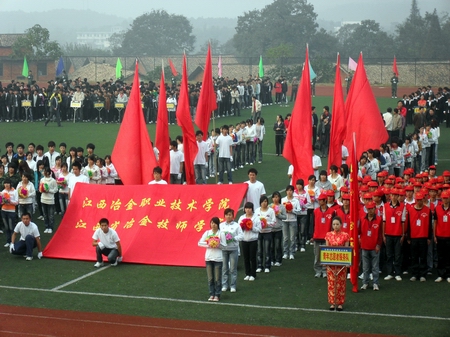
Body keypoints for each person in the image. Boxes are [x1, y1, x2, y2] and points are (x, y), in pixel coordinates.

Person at [199, 217, 227, 301]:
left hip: (218, 259)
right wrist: (209, 244)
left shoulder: (221, 233)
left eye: (215, 223)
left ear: (218, 224)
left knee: (217, 278)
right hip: (208, 258)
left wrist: (217, 244)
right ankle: (212, 294)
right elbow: (199, 243)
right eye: (212, 223)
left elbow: (224, 246)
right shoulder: (207, 233)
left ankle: (217, 295)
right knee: (210, 278)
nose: (213, 225)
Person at [325, 216, 350, 311]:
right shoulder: (328, 235)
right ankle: (332, 302)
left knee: (341, 283)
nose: (335, 226)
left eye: (337, 224)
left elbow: (347, 249)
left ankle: (340, 303)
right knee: (331, 283)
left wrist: (347, 262)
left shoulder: (345, 235)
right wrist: (325, 262)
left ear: (341, 225)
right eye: (334, 224)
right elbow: (326, 249)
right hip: (331, 263)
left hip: (341, 264)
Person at [406, 193, 432, 282]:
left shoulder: (428, 210)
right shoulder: (410, 210)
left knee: (423, 256)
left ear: (423, 200)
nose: (419, 201)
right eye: (418, 200)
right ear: (415, 200)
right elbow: (408, 225)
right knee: (414, 256)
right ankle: (414, 274)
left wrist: (429, 237)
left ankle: (423, 274)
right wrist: (408, 237)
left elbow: (430, 226)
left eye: (421, 199)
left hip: (424, 237)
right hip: (413, 237)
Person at [383, 189, 406, 281]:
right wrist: (383, 234)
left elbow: (403, 221)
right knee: (389, 255)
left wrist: (403, 234)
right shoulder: (385, 206)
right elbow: (384, 221)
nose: (394, 196)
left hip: (398, 234)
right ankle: (390, 273)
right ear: (390, 196)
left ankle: (397, 273)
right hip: (388, 234)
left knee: (397, 255)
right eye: (393, 195)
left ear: (398, 196)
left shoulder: (402, 206)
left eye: (396, 195)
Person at [359, 201, 383, 290]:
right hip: (364, 246)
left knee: (375, 267)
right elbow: (358, 231)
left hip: (374, 247)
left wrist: (379, 245)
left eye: (372, 208)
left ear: (375, 209)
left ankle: (375, 283)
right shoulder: (362, 219)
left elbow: (381, 234)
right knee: (365, 267)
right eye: (369, 209)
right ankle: (365, 283)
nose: (370, 210)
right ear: (366, 209)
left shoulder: (379, 219)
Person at [220, 208, 243, 293]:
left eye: (230, 214)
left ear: (233, 216)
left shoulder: (236, 225)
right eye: (227, 214)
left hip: (233, 249)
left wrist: (233, 238)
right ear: (224, 216)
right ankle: (225, 285)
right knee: (224, 268)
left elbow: (241, 236)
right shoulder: (221, 225)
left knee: (233, 269)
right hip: (224, 250)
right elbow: (218, 235)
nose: (228, 216)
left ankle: (233, 285)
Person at [312, 193, 334, 278]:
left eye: (321, 200)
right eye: (319, 200)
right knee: (317, 255)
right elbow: (312, 224)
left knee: (326, 255)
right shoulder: (315, 211)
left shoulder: (331, 211)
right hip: (317, 236)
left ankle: (325, 271)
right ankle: (318, 270)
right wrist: (312, 235)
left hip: (327, 237)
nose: (320, 201)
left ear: (325, 200)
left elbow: (333, 225)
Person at [238, 202, 262, 281]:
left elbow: (259, 229)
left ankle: (253, 274)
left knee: (252, 257)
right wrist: (242, 227)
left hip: (253, 240)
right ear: (244, 209)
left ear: (252, 209)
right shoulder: (241, 217)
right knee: (246, 258)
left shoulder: (256, 218)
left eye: (249, 208)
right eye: (246, 208)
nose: (248, 210)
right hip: (244, 240)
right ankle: (247, 273)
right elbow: (238, 229)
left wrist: (252, 228)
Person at [255, 195, 276, 273]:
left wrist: (267, 224)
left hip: (268, 233)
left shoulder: (271, 211)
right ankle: (259, 265)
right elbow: (254, 221)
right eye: (263, 201)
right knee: (259, 250)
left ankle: (267, 266)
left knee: (267, 250)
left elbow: (274, 222)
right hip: (259, 233)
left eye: (265, 201)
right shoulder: (257, 211)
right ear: (260, 203)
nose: (264, 203)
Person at [433, 191, 450, 283]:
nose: (445, 199)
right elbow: (435, 222)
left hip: (449, 236)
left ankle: (448, 275)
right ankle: (440, 275)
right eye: (444, 198)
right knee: (440, 257)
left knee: (448, 257)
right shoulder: (437, 208)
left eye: (447, 198)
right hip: (440, 236)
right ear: (441, 199)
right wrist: (435, 235)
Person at [39, 167, 58, 234]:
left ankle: (51, 227)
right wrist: (42, 190)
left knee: (51, 215)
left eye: (45, 171)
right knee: (45, 214)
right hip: (43, 199)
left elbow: (56, 189)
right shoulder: (42, 180)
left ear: (49, 173)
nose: (44, 172)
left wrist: (49, 190)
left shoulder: (53, 180)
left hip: (50, 200)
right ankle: (46, 227)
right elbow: (40, 189)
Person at [2, 178, 18, 247]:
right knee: (6, 227)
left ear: (10, 184)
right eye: (5, 183)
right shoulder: (3, 192)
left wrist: (10, 201)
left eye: (8, 183)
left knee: (11, 227)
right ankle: (8, 241)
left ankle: (12, 241)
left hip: (11, 211)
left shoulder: (14, 191)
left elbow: (17, 202)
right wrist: (2, 202)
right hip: (4, 210)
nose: (6, 185)